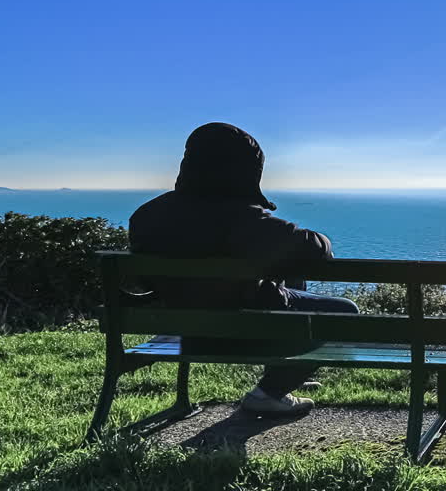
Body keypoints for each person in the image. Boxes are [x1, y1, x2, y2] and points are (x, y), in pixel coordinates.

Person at [129, 122, 358, 417]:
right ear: (245, 170)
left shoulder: (146, 215)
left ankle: (285, 373)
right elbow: (315, 248)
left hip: (184, 331)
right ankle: (269, 392)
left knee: (292, 275)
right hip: (240, 330)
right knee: (346, 311)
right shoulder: (240, 218)